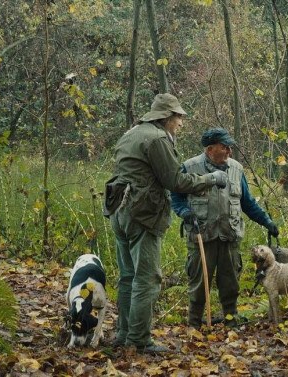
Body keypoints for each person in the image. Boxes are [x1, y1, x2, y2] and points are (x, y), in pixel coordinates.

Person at [103, 93, 228, 354]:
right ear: (166, 117)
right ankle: (138, 341)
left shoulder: (132, 132)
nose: (181, 123)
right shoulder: (158, 138)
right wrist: (211, 179)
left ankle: (124, 334)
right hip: (142, 214)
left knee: (128, 277)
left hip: (119, 211)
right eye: (179, 117)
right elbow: (176, 182)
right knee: (147, 278)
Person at [171, 128, 279, 329]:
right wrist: (185, 212)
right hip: (201, 236)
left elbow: (247, 203)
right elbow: (176, 198)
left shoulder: (236, 169)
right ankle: (194, 325)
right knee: (199, 284)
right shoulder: (189, 167)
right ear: (210, 149)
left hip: (229, 236)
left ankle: (231, 322)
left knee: (230, 284)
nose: (230, 151)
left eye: (230, 147)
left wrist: (267, 221)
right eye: (225, 147)